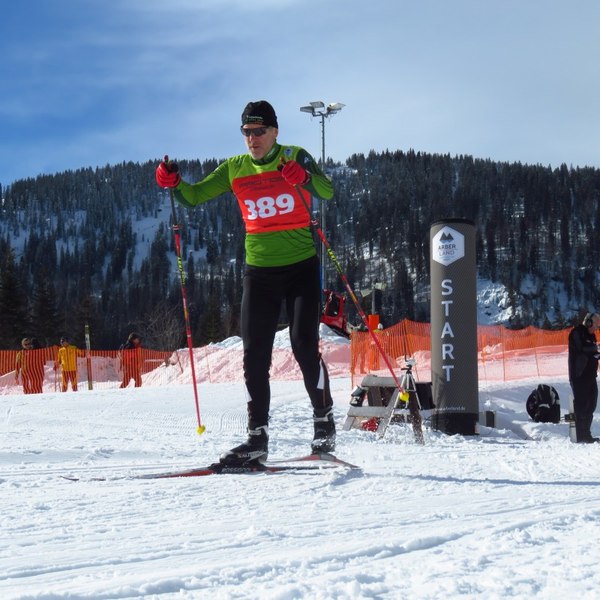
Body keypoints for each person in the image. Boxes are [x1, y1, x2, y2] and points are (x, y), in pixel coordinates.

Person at [155, 100, 336, 464]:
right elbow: (193, 197)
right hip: (260, 272)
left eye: (259, 131)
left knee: (303, 345)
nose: (253, 139)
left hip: (301, 267)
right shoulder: (234, 168)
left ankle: (324, 421)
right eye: (247, 132)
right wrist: (174, 183)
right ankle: (257, 438)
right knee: (254, 354)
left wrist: (304, 178)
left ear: (275, 132)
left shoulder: (294, 156)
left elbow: (327, 191)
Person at [568, 312, 600, 443]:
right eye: (595, 325)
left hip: (591, 375)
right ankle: (578, 435)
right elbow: (581, 348)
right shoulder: (577, 333)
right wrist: (595, 348)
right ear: (588, 322)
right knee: (581, 405)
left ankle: (586, 434)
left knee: (591, 405)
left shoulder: (592, 336)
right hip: (579, 375)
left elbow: (592, 352)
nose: (596, 328)